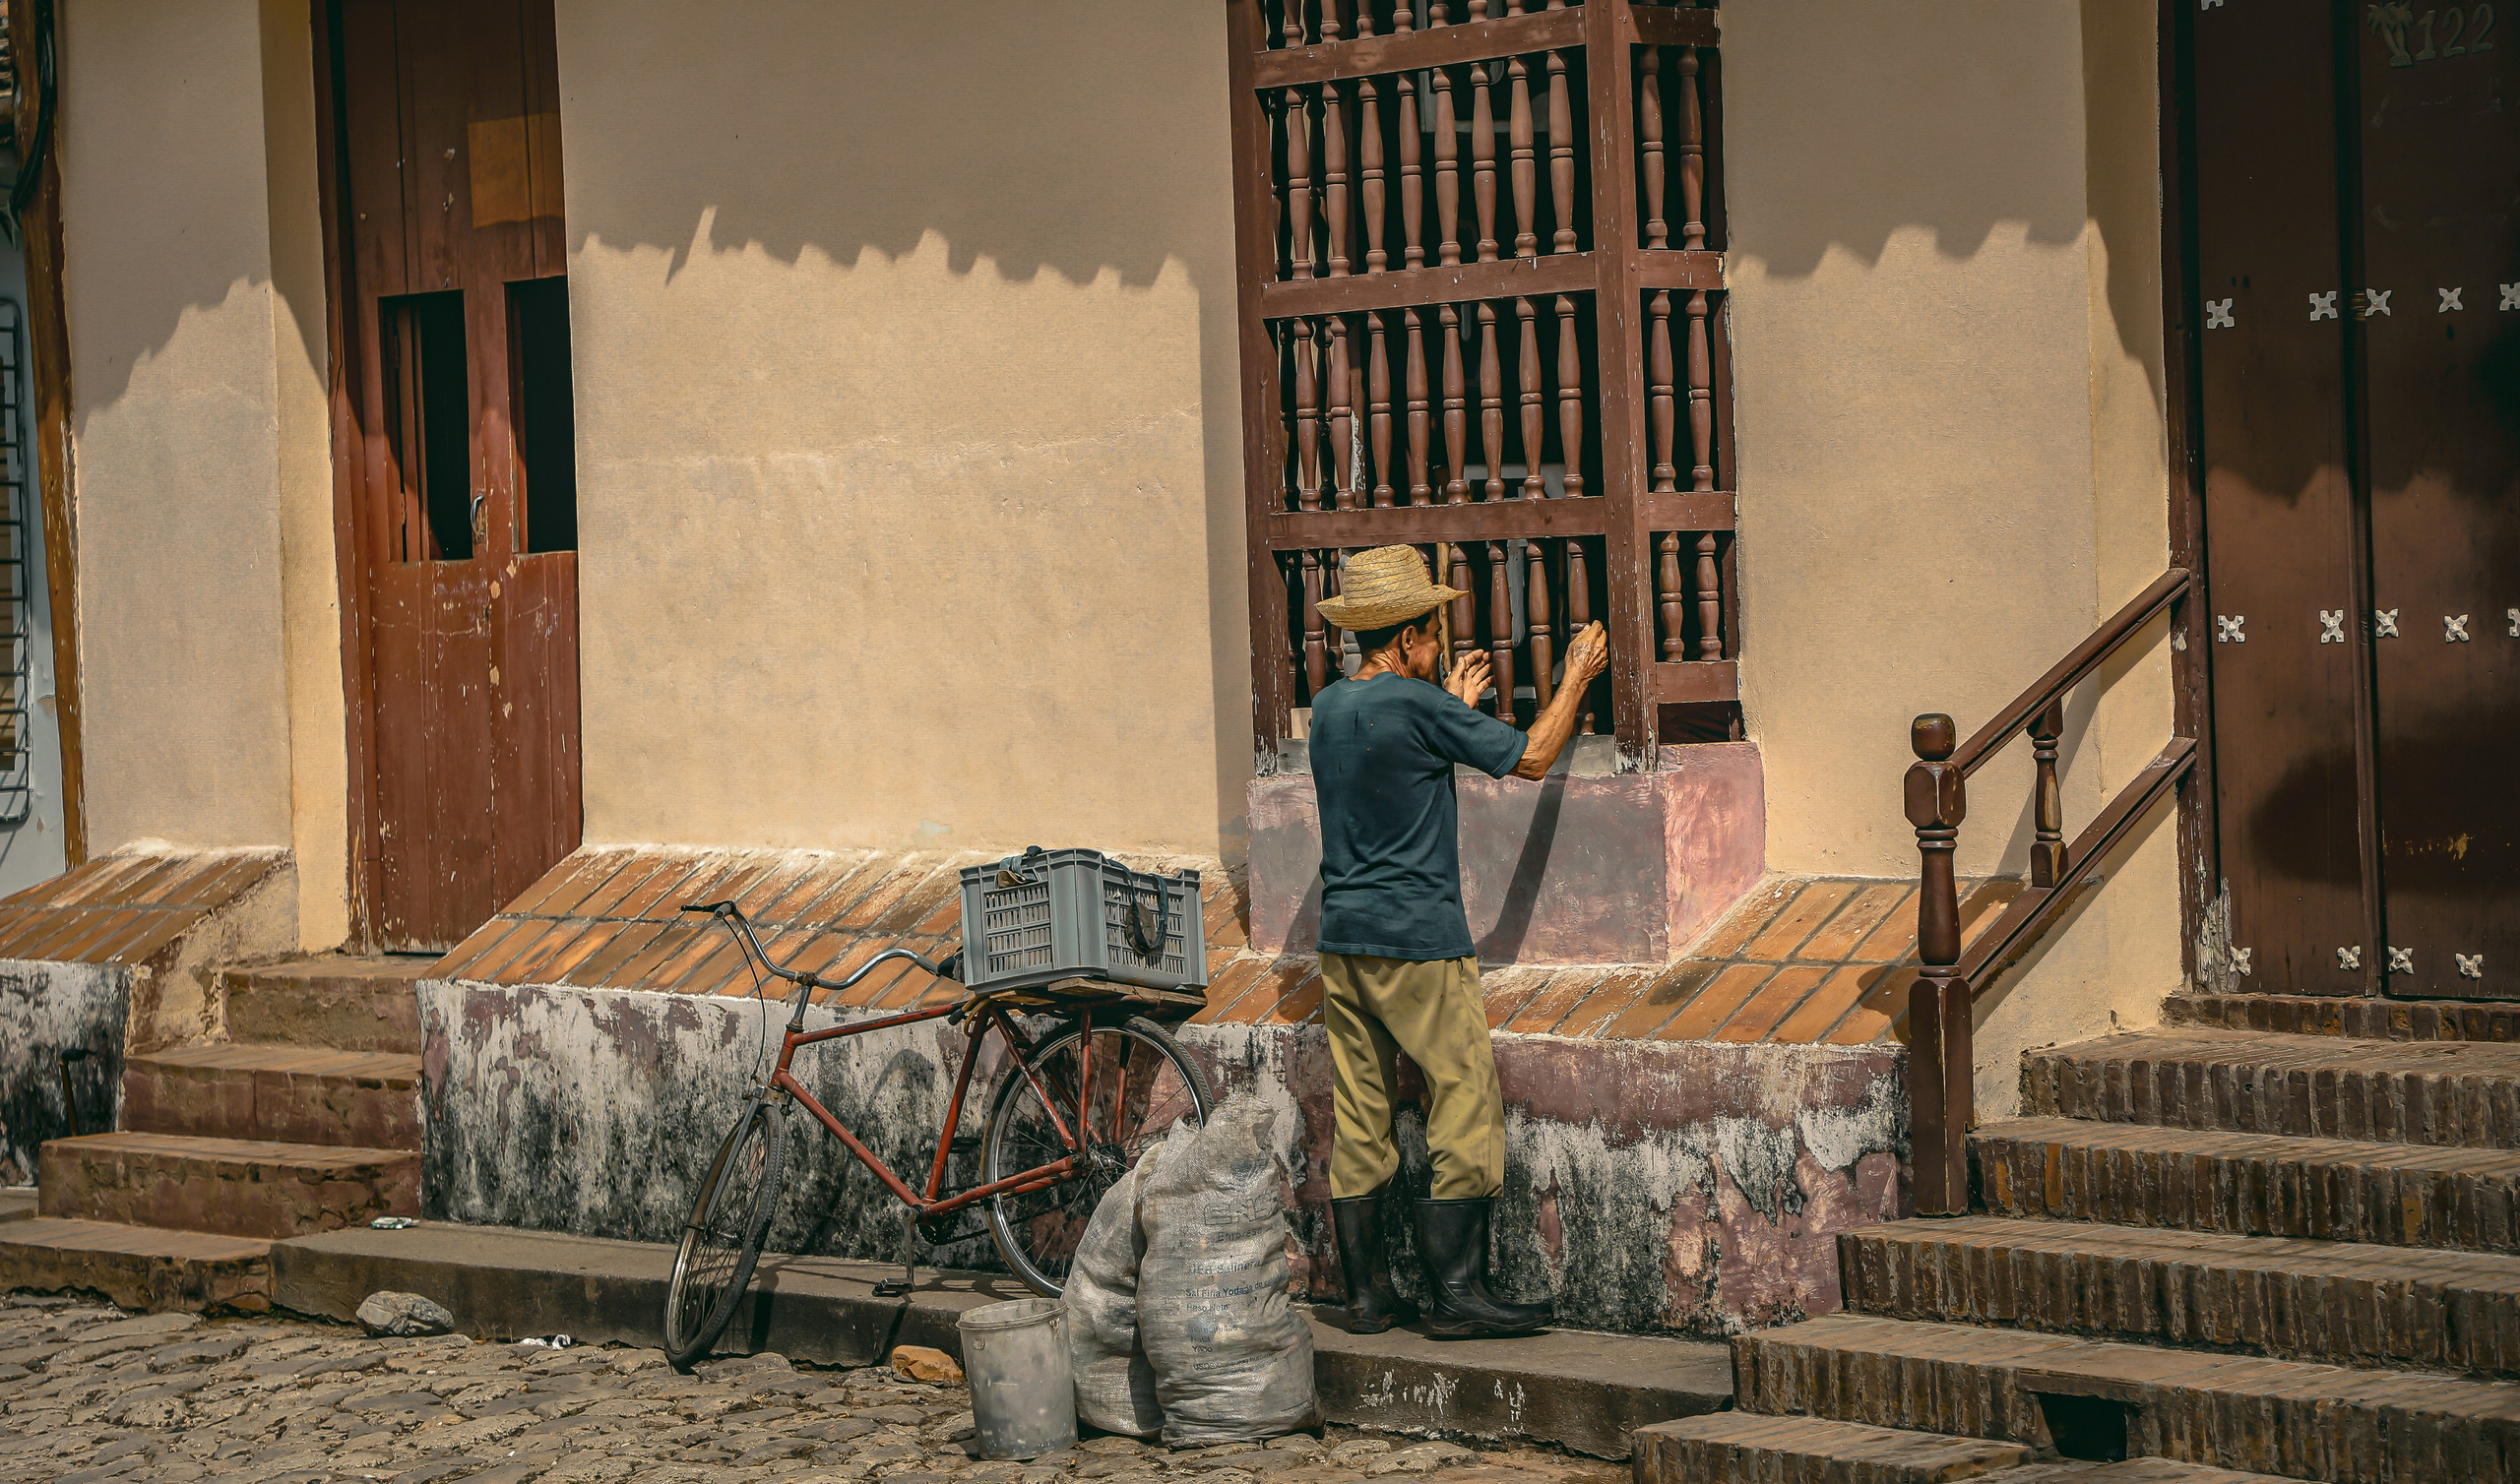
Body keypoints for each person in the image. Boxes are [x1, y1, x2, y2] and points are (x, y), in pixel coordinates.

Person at [1307, 544, 1609, 1340]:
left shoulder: (1332, 708)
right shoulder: (1420, 705)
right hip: (1419, 941)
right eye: (1432, 635)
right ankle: (1458, 1297)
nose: (1441, 646)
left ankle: (1368, 1298)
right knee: (1465, 1100)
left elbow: (1393, 753)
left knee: (1362, 1115)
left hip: (1343, 942)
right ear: (1405, 639)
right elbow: (1535, 756)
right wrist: (1577, 670)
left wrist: (1440, 702)